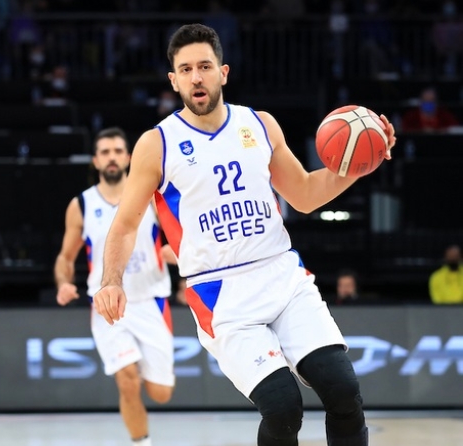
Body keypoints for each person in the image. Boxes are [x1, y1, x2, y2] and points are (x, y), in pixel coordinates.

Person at [93, 24, 397, 446]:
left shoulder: (260, 124)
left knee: (343, 390)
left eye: (204, 66)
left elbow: (305, 195)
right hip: (221, 294)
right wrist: (111, 279)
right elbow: (125, 224)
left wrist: (360, 163)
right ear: (174, 80)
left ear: (223, 72)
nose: (196, 77)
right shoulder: (157, 143)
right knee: (283, 407)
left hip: (282, 275)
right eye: (186, 70)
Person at [54, 127, 175, 446]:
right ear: (95, 161)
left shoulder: (151, 196)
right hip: (106, 303)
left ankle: (148, 372)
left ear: (129, 158)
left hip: (150, 300)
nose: (111, 157)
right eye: (105, 152)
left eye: (118, 151)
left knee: (161, 393)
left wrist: (178, 256)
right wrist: (64, 282)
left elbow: (182, 239)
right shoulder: (81, 204)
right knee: (127, 380)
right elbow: (65, 257)